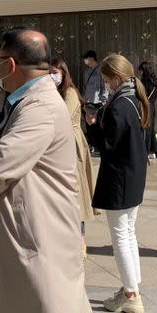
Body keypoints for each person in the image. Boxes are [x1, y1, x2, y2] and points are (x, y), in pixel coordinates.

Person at [0, 28, 98, 313]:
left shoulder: (40, 106)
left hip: (39, 232)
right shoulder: (30, 101)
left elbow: (3, 163)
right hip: (33, 226)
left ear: (9, 64)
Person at [86, 54, 150, 313]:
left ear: (117, 78)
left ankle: (132, 294)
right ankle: (131, 288)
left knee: (121, 237)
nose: (105, 84)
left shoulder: (119, 105)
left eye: (106, 79)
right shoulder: (135, 100)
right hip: (133, 176)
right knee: (129, 233)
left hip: (119, 179)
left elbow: (108, 144)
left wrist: (92, 125)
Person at [50, 56, 96, 258]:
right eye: (49, 72)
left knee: (76, 193)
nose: (52, 76)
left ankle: (80, 240)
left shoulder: (69, 93)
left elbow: (61, 119)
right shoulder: (54, 93)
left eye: (55, 72)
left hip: (72, 146)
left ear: (63, 73)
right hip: (58, 147)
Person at [138, 61, 157, 158]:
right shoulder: (155, 80)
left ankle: (145, 151)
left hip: (146, 105)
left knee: (146, 128)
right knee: (151, 129)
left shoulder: (145, 80)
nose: (140, 73)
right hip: (152, 105)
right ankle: (152, 151)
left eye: (141, 70)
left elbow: (143, 93)